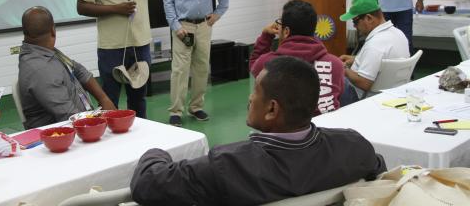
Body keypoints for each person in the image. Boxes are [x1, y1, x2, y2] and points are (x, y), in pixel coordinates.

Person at [130, 56, 386, 206]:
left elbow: (147, 184)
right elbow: (378, 172)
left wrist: (156, 150)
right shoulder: (354, 147)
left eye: (255, 91)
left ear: (272, 109)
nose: (250, 98)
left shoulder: (228, 166)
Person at [77, 0, 201, 118]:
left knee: (138, 98)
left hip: (140, 45)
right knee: (111, 98)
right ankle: (112, 141)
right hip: (112, 48)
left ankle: (140, 136)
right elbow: (82, 6)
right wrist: (115, 9)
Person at [163, 0, 230, 126]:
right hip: (182, 26)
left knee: (201, 68)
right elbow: (167, 1)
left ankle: (196, 107)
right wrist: (175, 26)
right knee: (180, 70)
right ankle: (176, 110)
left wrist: (217, 14)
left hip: (203, 25)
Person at [18, 6, 116, 130]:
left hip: (80, 122)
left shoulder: (46, 51)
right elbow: (69, 116)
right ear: (53, 30)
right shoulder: (39, 69)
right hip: (63, 134)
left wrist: (103, 98)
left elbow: (78, 69)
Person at [250, 0, 344, 114]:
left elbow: (254, 66)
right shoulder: (335, 64)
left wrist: (265, 36)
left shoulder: (269, 63)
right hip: (326, 128)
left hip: (286, 130)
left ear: (286, 31)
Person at [339, 0, 410, 106]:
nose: (354, 26)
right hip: (394, 94)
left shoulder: (375, 44)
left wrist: (343, 69)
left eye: (355, 21)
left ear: (369, 18)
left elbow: (364, 83)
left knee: (330, 79)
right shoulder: (398, 34)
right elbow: (380, 60)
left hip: (364, 98)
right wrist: (356, 59)